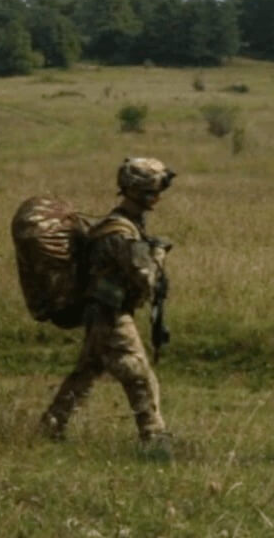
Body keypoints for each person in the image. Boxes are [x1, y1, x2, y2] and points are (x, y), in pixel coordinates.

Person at [38, 157, 174, 453]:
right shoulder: (122, 233)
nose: (158, 196)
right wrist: (159, 255)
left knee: (86, 373)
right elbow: (144, 278)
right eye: (154, 191)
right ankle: (154, 437)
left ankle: (51, 425)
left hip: (101, 311)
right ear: (141, 192)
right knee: (138, 373)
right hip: (111, 313)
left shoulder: (123, 225)